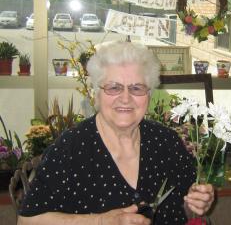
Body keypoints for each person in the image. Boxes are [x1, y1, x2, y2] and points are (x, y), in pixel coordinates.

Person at [18, 41, 214, 225]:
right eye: (114, 88)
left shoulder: (166, 143)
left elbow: (185, 211)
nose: (125, 98)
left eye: (136, 88)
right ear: (97, 93)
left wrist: (197, 204)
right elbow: (27, 220)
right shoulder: (71, 148)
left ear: (149, 94)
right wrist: (101, 221)